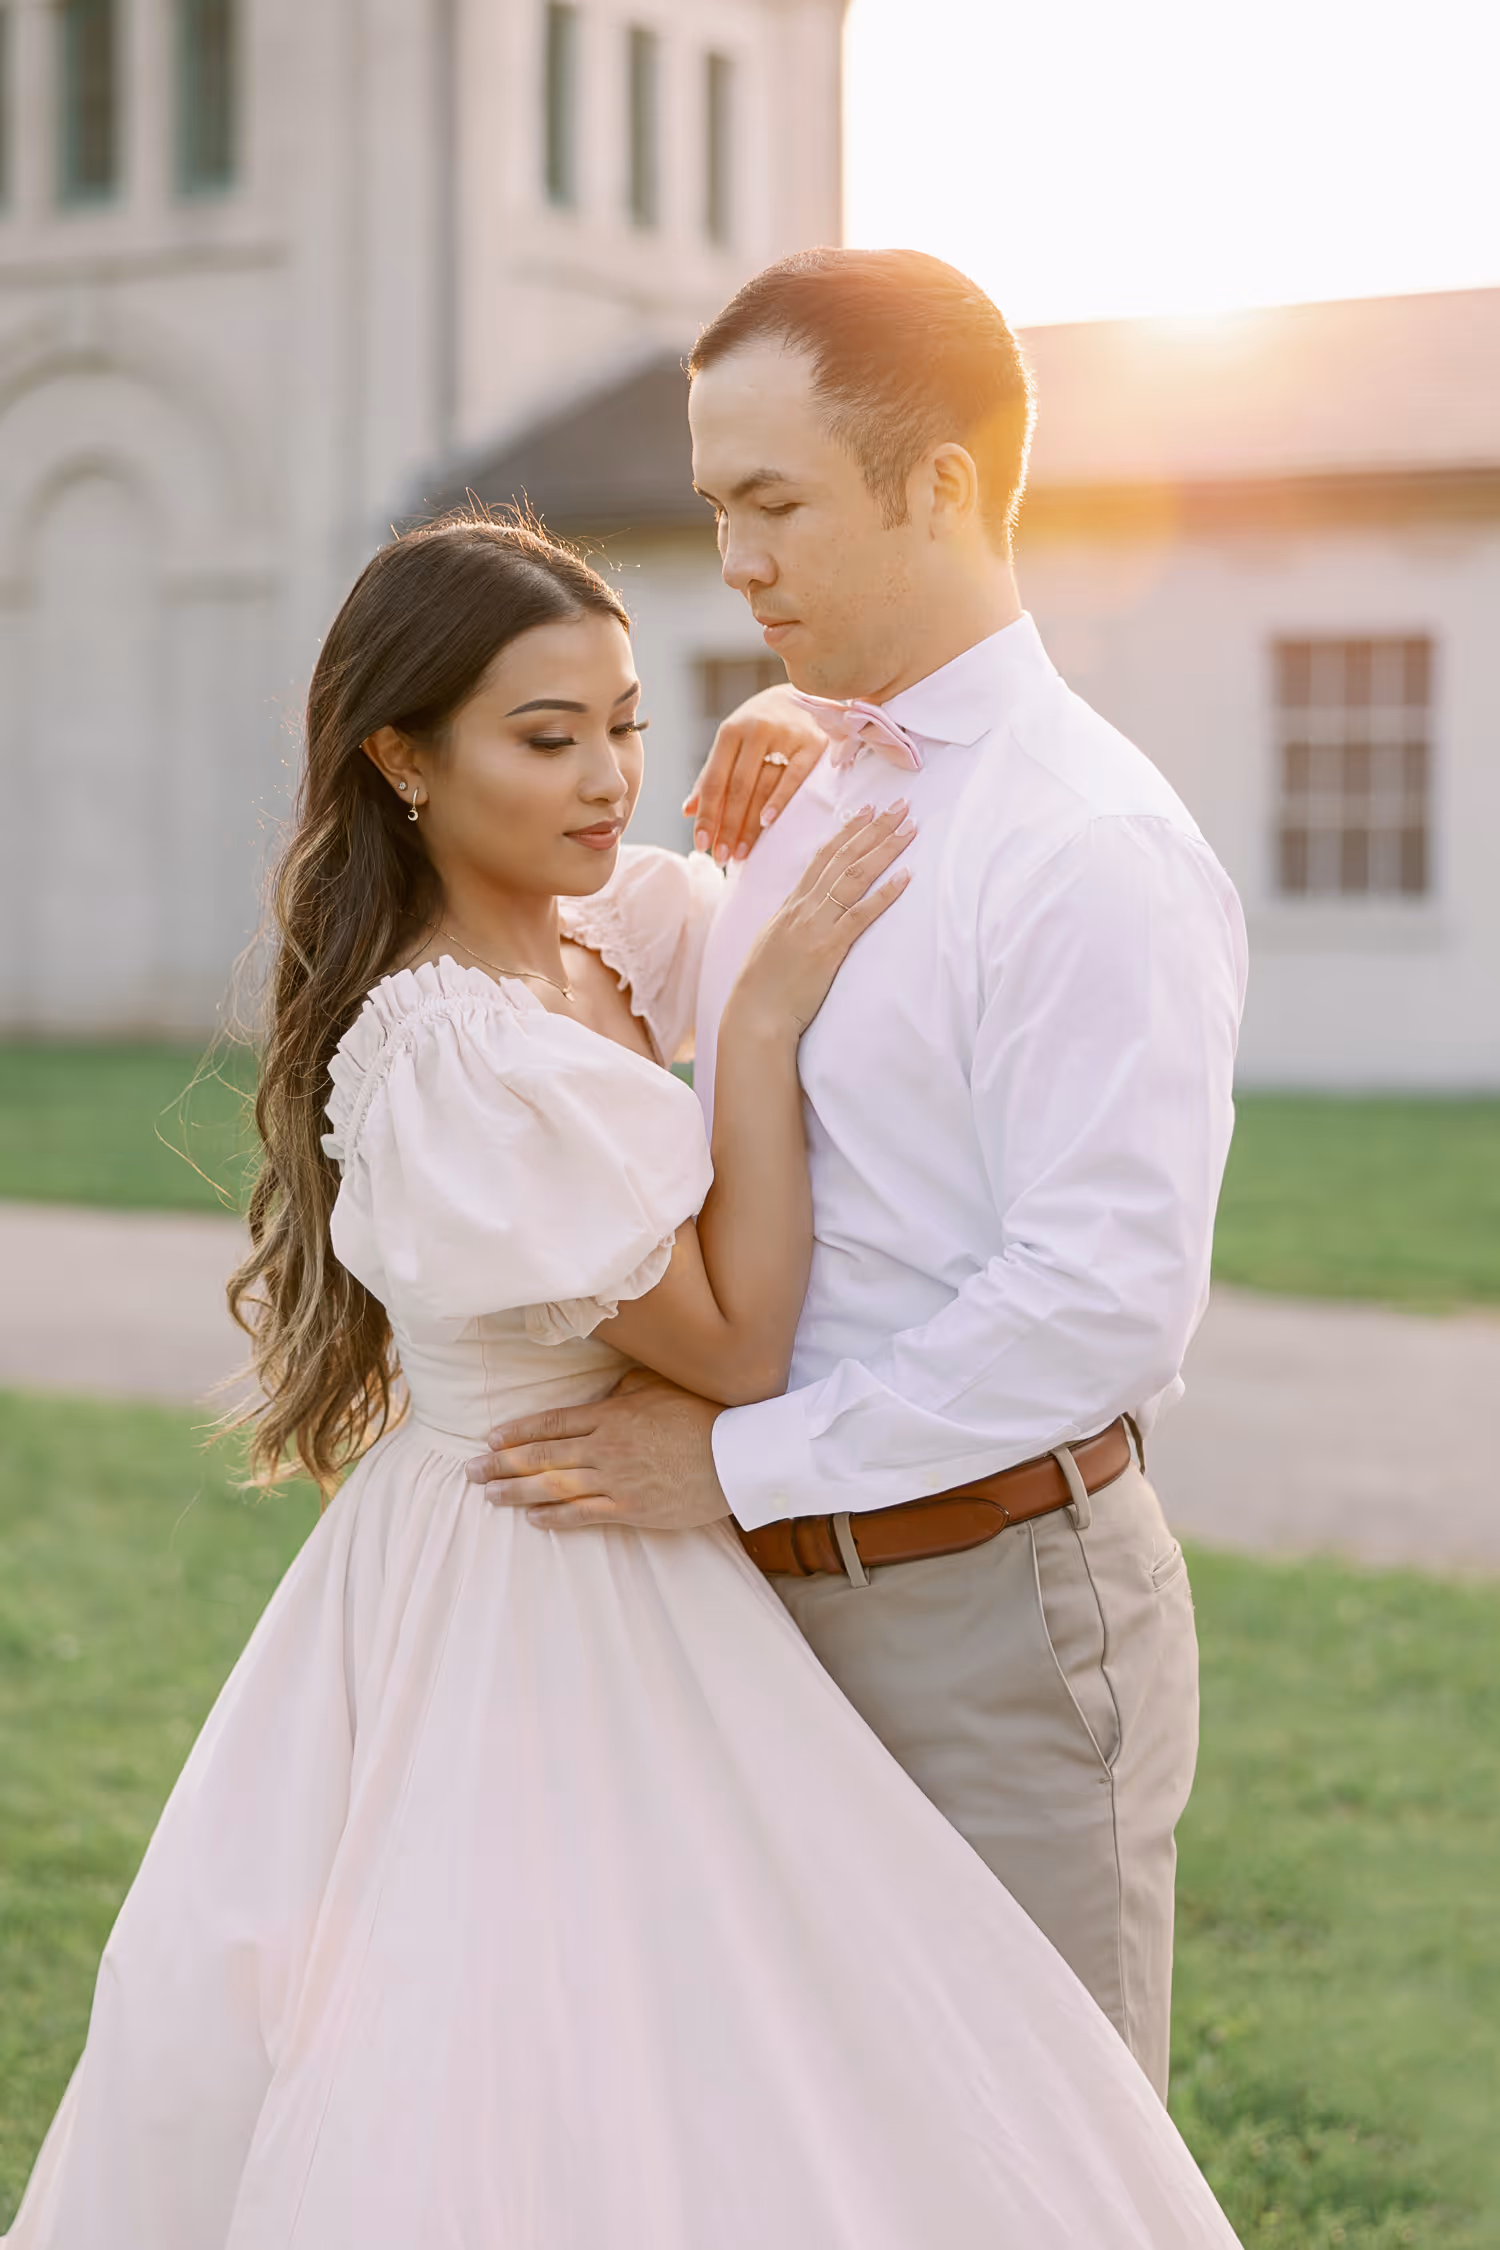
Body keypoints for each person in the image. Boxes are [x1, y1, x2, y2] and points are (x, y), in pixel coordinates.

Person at [4, 512, 1241, 2246]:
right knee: (534, 2048)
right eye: (546, 735)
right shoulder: (450, 1044)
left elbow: (735, 896)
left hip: (656, 1557)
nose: (607, 779)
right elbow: (732, 1338)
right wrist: (752, 1035)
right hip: (526, 1573)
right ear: (401, 758)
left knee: (756, 2060)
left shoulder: (598, 934)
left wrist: (791, 743)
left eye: (629, 722)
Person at [467, 248, 1250, 2103]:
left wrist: (728, 1458)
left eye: (774, 501)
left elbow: (1102, 1301)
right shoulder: (806, 776)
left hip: (992, 1623)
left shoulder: (1094, 847)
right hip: (750, 1614)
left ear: (945, 486)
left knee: (1033, 2172)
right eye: (713, 503)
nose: (732, 556)